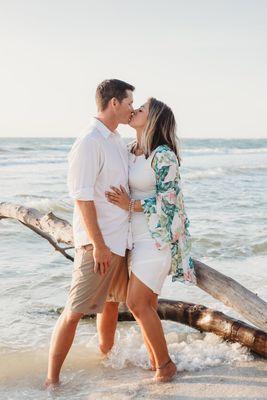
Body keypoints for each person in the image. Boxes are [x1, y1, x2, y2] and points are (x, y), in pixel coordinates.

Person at [45, 79, 135, 388]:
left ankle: (105, 362)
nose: (131, 108)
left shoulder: (115, 140)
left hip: (119, 241)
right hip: (99, 244)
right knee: (74, 310)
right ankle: (51, 380)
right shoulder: (89, 141)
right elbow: (81, 196)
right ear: (113, 103)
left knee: (110, 304)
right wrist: (97, 245)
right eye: (128, 103)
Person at [105, 97, 197, 383]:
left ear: (153, 118)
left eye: (141, 108)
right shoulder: (130, 150)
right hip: (133, 238)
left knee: (136, 303)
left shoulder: (163, 155)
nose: (134, 111)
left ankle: (166, 365)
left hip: (156, 241)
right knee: (146, 305)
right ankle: (157, 362)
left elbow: (171, 203)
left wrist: (130, 205)